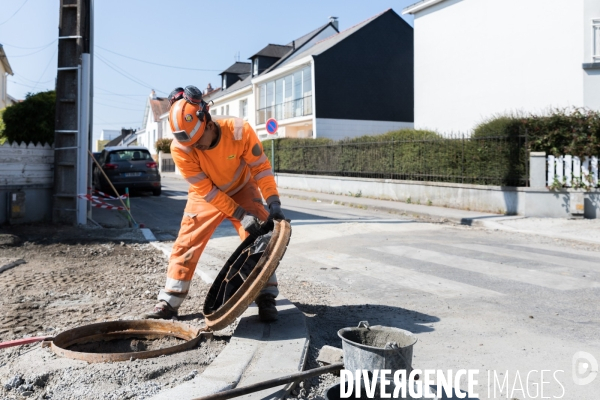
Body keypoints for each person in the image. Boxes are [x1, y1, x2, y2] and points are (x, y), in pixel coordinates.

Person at [143, 85, 286, 322]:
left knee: (260, 237)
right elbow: (207, 192)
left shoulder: (238, 130)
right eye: (191, 145)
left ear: (208, 122)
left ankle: (266, 295)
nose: (196, 149)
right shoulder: (180, 148)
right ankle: (170, 300)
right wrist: (239, 215)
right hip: (205, 195)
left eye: (199, 143)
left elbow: (260, 168)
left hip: (242, 187)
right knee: (187, 242)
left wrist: (274, 202)